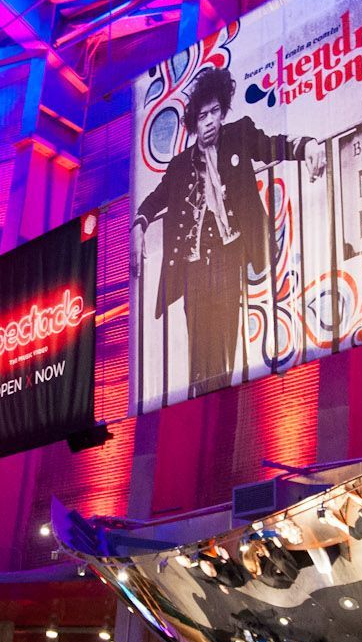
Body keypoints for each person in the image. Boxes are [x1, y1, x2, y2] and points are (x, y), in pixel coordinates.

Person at [134, 66, 326, 398]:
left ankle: (220, 399)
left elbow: (273, 146)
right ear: (194, 122)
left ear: (223, 112)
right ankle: (199, 401)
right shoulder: (180, 166)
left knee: (223, 338)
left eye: (215, 112)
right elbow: (154, 200)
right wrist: (139, 226)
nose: (210, 120)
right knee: (198, 344)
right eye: (203, 115)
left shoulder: (238, 134)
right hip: (192, 266)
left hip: (228, 255)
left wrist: (307, 145)